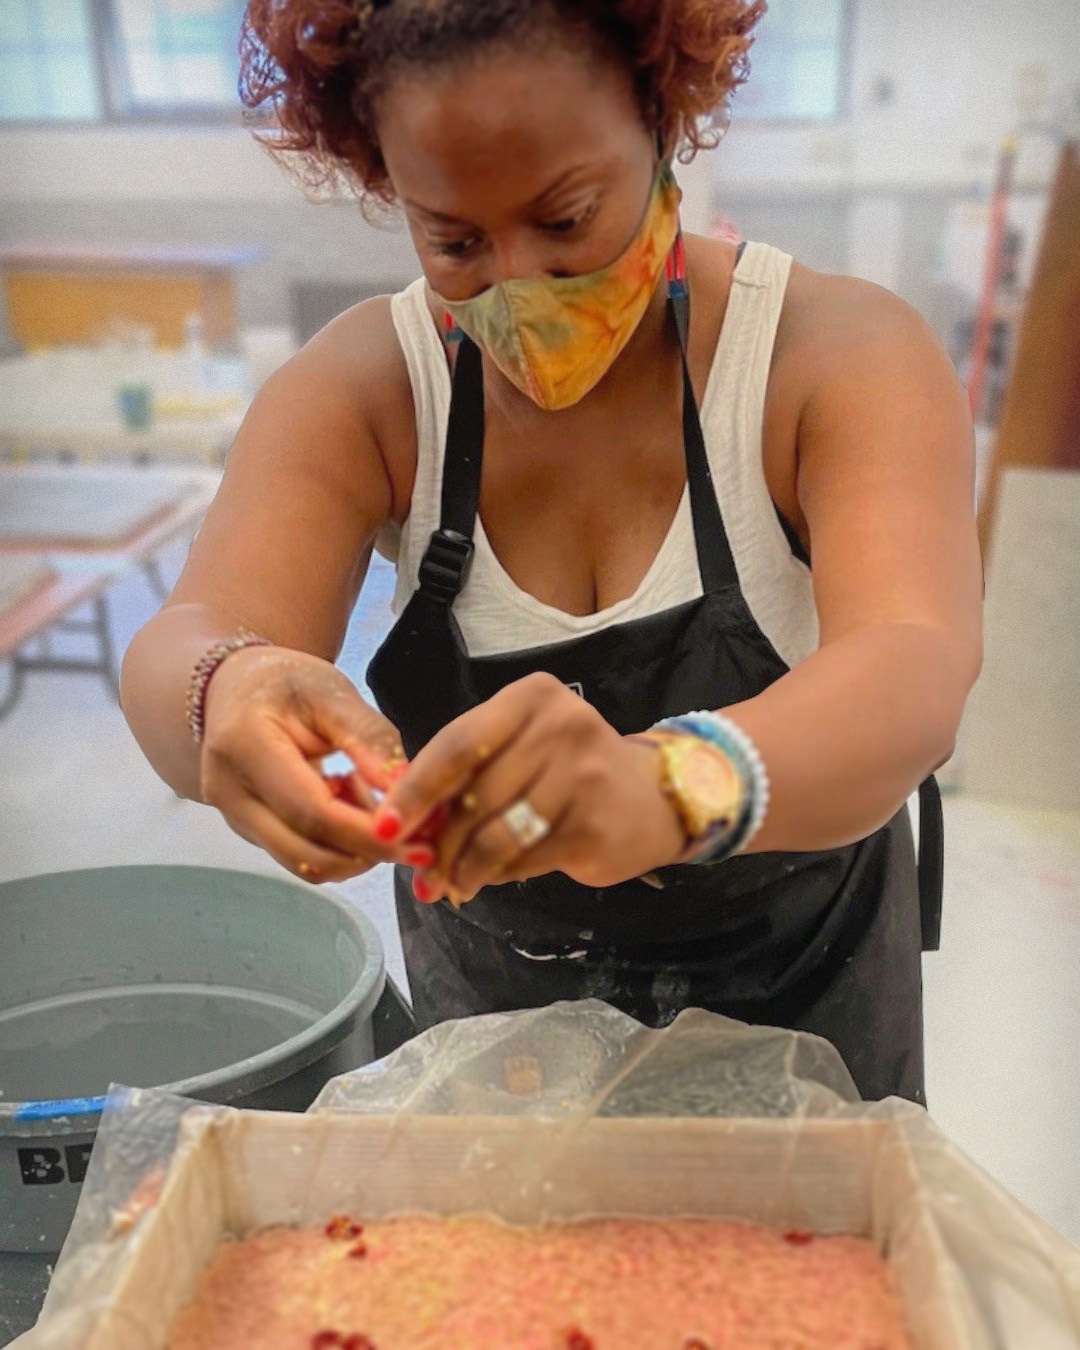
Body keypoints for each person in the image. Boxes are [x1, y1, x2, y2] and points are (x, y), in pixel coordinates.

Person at [121, 0, 983, 1104]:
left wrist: (675, 781)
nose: (520, 287)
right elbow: (181, 642)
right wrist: (223, 689)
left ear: (662, 121)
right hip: (501, 1051)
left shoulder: (829, 355)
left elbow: (915, 665)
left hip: (808, 1022)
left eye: (568, 220)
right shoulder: (368, 393)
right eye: (456, 242)